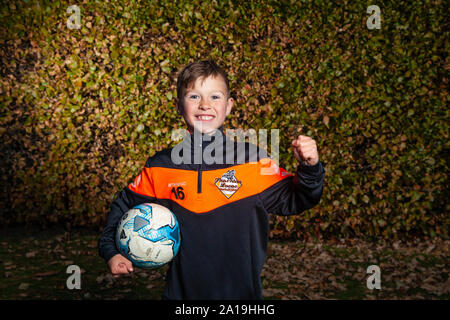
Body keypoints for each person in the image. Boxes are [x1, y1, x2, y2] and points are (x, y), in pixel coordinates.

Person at [98, 60, 325, 299]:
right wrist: (112, 251)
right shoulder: (161, 166)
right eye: (194, 96)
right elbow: (123, 207)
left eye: (215, 97)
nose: (205, 105)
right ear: (178, 105)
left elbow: (299, 198)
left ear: (228, 106)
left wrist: (310, 168)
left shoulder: (252, 161)